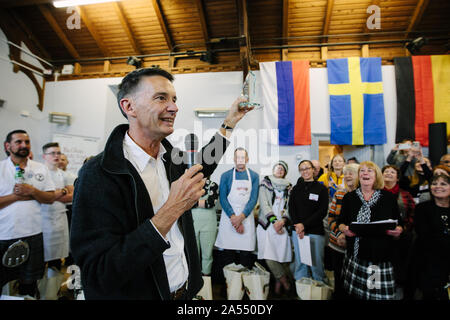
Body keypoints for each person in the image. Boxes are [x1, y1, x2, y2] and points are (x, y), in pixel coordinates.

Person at [70, 67, 251, 300]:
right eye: (161, 98)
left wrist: (229, 122)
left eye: (174, 99)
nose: (174, 107)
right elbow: (99, 273)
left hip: (185, 293)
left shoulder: (170, 158)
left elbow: (202, 165)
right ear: (129, 107)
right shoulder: (99, 174)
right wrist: (172, 208)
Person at [0, 130, 56, 299]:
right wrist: (15, 196)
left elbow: (50, 197)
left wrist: (31, 191)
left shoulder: (40, 168)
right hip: (4, 234)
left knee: (29, 284)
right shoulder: (1, 168)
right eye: (18, 142)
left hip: (32, 234)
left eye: (27, 142)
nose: (24, 145)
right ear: (8, 146)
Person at [337, 161, 403, 300]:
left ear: (376, 176)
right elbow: (341, 222)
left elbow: (399, 224)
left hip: (379, 256)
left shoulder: (388, 198)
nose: (365, 173)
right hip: (356, 254)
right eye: (362, 170)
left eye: (370, 170)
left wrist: (398, 230)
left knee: (376, 294)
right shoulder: (349, 197)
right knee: (355, 294)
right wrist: (344, 230)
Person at [215, 148, 259, 270]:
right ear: (234, 159)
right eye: (237, 157)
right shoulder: (225, 176)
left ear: (247, 159)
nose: (240, 160)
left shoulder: (254, 176)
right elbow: (223, 199)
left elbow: (253, 200)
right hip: (229, 220)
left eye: (242, 157)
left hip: (246, 219)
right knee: (228, 257)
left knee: (246, 257)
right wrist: (234, 218)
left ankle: (245, 288)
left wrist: (241, 218)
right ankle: (230, 287)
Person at [39, 142, 73, 300]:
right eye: (52, 153)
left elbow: (71, 196)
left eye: (58, 153)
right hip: (40, 222)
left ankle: (51, 294)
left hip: (60, 220)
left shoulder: (65, 174)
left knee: (56, 260)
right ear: (44, 156)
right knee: (38, 260)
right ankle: (36, 291)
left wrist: (50, 195)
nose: (56, 156)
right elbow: (36, 197)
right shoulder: (38, 173)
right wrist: (61, 193)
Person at [256, 161, 293, 296]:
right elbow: (265, 204)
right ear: (273, 170)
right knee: (268, 256)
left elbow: (291, 207)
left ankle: (278, 285)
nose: (279, 170)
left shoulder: (289, 187)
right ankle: (285, 282)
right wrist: (274, 221)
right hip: (267, 224)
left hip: (282, 226)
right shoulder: (265, 183)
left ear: (285, 172)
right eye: (277, 167)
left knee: (281, 256)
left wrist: (282, 221)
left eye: (282, 168)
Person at [289, 160, 329, 283]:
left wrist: (304, 225)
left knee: (316, 263)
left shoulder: (321, 188)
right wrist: (298, 226)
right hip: (298, 231)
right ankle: (303, 290)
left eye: (307, 168)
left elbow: (322, 211)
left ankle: (319, 289)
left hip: (315, 231)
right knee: (301, 263)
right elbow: (292, 208)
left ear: (313, 170)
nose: (305, 171)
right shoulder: (296, 189)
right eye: (302, 169)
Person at [413, 174, 449, 300]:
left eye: (443, 184)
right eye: (434, 183)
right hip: (429, 265)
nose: (438, 186)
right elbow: (426, 237)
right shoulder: (422, 209)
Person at [382, 165, 415, 299]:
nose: (389, 174)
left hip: (401, 238)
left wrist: (403, 228)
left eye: (392, 172)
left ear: (397, 176)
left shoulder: (405, 194)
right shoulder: (375, 192)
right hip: (381, 237)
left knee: (399, 268)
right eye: (386, 171)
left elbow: (412, 214)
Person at [328, 163, 359, 299]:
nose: (347, 176)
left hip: (357, 245)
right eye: (345, 173)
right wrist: (340, 234)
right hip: (337, 243)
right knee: (338, 277)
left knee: (354, 279)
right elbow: (331, 217)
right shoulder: (339, 193)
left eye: (351, 173)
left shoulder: (363, 195)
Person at [191, 177, 219, 276]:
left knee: (207, 254)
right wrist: (201, 203)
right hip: (192, 223)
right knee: (193, 254)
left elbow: (211, 203)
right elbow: (186, 203)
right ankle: (194, 280)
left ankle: (206, 278)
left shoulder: (213, 185)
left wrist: (194, 202)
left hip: (209, 224)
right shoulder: (189, 185)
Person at [56, 153, 77, 266]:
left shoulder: (71, 176)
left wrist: (52, 196)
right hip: (54, 211)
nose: (60, 161)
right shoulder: (50, 175)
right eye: (59, 159)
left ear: (67, 162)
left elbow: (71, 196)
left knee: (69, 235)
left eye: (63, 159)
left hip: (70, 209)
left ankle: (70, 259)